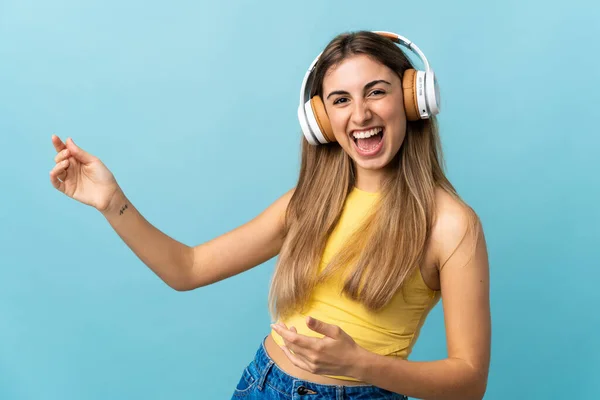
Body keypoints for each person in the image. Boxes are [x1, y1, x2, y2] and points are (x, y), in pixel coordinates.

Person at [49, 31, 490, 400]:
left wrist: (362, 364)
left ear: (414, 99)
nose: (361, 114)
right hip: (262, 385)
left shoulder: (451, 225)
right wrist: (112, 201)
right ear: (321, 120)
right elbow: (187, 269)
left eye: (376, 91)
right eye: (340, 100)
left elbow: (470, 380)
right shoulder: (308, 202)